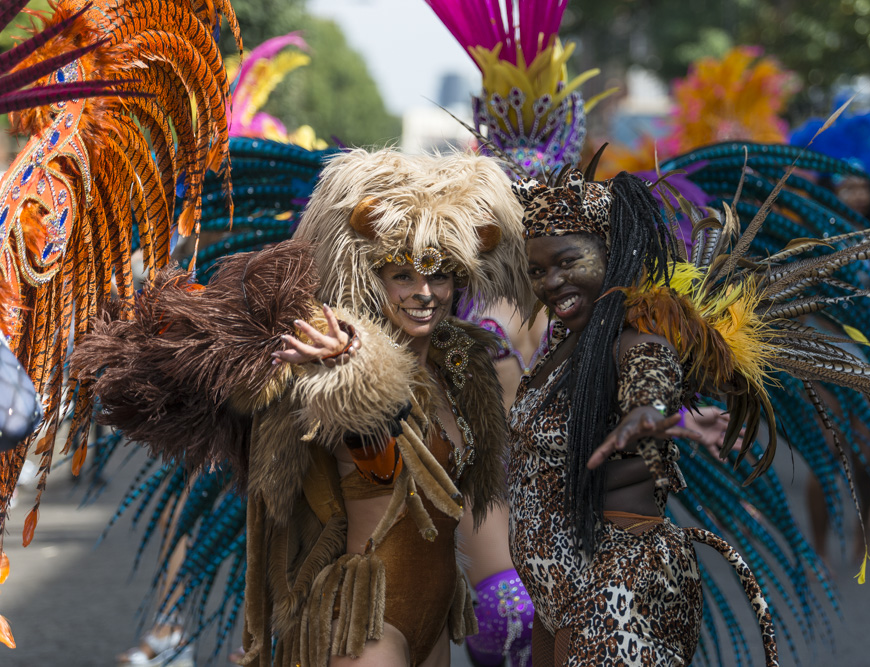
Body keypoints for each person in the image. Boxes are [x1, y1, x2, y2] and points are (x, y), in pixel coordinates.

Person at [74, 148, 533, 667]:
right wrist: (347, 370)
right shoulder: (343, 355)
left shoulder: (460, 369)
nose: (423, 293)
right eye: (402, 275)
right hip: (365, 620)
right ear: (373, 279)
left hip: (435, 622)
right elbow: (373, 448)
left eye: (440, 276)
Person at [506, 169, 780, 666]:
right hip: (562, 598)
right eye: (537, 270)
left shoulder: (633, 340)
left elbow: (651, 374)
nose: (551, 282)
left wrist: (647, 414)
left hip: (615, 593)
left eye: (568, 262)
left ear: (611, 255)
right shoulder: (563, 347)